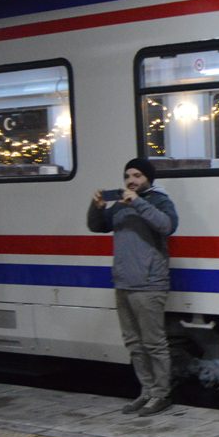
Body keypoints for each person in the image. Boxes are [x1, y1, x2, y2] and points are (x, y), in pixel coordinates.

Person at [87, 157, 179, 417]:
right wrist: (96, 207)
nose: (131, 180)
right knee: (134, 344)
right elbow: (97, 226)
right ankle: (147, 391)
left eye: (137, 175)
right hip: (123, 282)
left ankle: (162, 394)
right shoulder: (120, 204)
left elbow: (167, 225)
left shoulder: (159, 200)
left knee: (153, 343)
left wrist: (137, 202)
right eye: (128, 175)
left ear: (148, 178)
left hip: (150, 284)